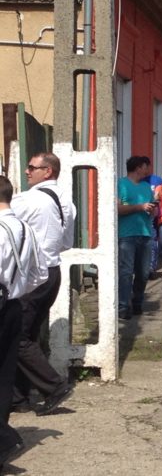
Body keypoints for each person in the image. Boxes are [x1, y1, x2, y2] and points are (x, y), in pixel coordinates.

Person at [11, 152, 76, 416]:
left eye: (31, 167)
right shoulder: (66, 203)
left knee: (17, 337)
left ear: (47, 171)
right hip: (52, 273)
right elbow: (66, 243)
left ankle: (54, 386)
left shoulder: (29, 199)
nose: (27, 172)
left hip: (32, 276)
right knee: (29, 334)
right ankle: (19, 397)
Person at [1, 175, 48, 471]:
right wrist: (17, 290)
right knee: (4, 376)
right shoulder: (25, 229)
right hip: (13, 306)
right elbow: (40, 273)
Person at [117, 156, 156, 320]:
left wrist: (152, 210)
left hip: (145, 233)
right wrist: (140, 207)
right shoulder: (121, 184)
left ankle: (137, 301)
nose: (148, 170)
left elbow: (153, 209)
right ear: (139, 167)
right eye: (146, 166)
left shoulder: (147, 187)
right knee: (126, 272)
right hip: (127, 234)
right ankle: (123, 306)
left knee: (144, 272)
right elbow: (118, 209)